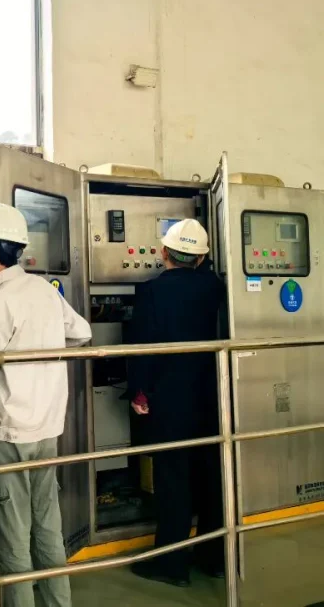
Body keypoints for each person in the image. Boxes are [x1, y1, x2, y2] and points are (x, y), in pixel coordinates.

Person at [0, 202, 91, 607]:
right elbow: (82, 332)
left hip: (11, 431)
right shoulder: (43, 290)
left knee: (13, 533)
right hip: (47, 428)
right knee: (48, 524)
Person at [128, 219, 226, 587]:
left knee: (173, 480)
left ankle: (172, 565)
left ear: (164, 252)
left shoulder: (152, 292)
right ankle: (214, 558)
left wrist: (140, 393)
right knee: (212, 476)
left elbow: (143, 349)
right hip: (214, 398)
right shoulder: (216, 287)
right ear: (200, 258)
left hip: (170, 401)